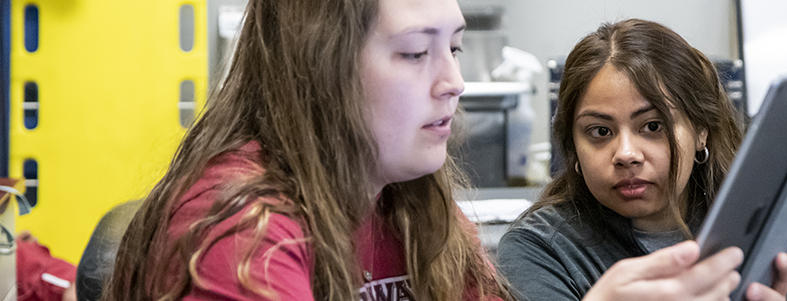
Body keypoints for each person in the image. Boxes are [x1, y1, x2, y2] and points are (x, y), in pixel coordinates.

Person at [103, 0, 510, 300]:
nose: (454, 82)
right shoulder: (243, 227)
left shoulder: (415, 207)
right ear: (323, 66)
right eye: (416, 52)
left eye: (454, 49)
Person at [496, 19, 787, 301]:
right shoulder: (541, 249)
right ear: (572, 147)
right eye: (600, 132)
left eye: (652, 126)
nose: (626, 154)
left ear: (701, 130)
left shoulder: (785, 231)